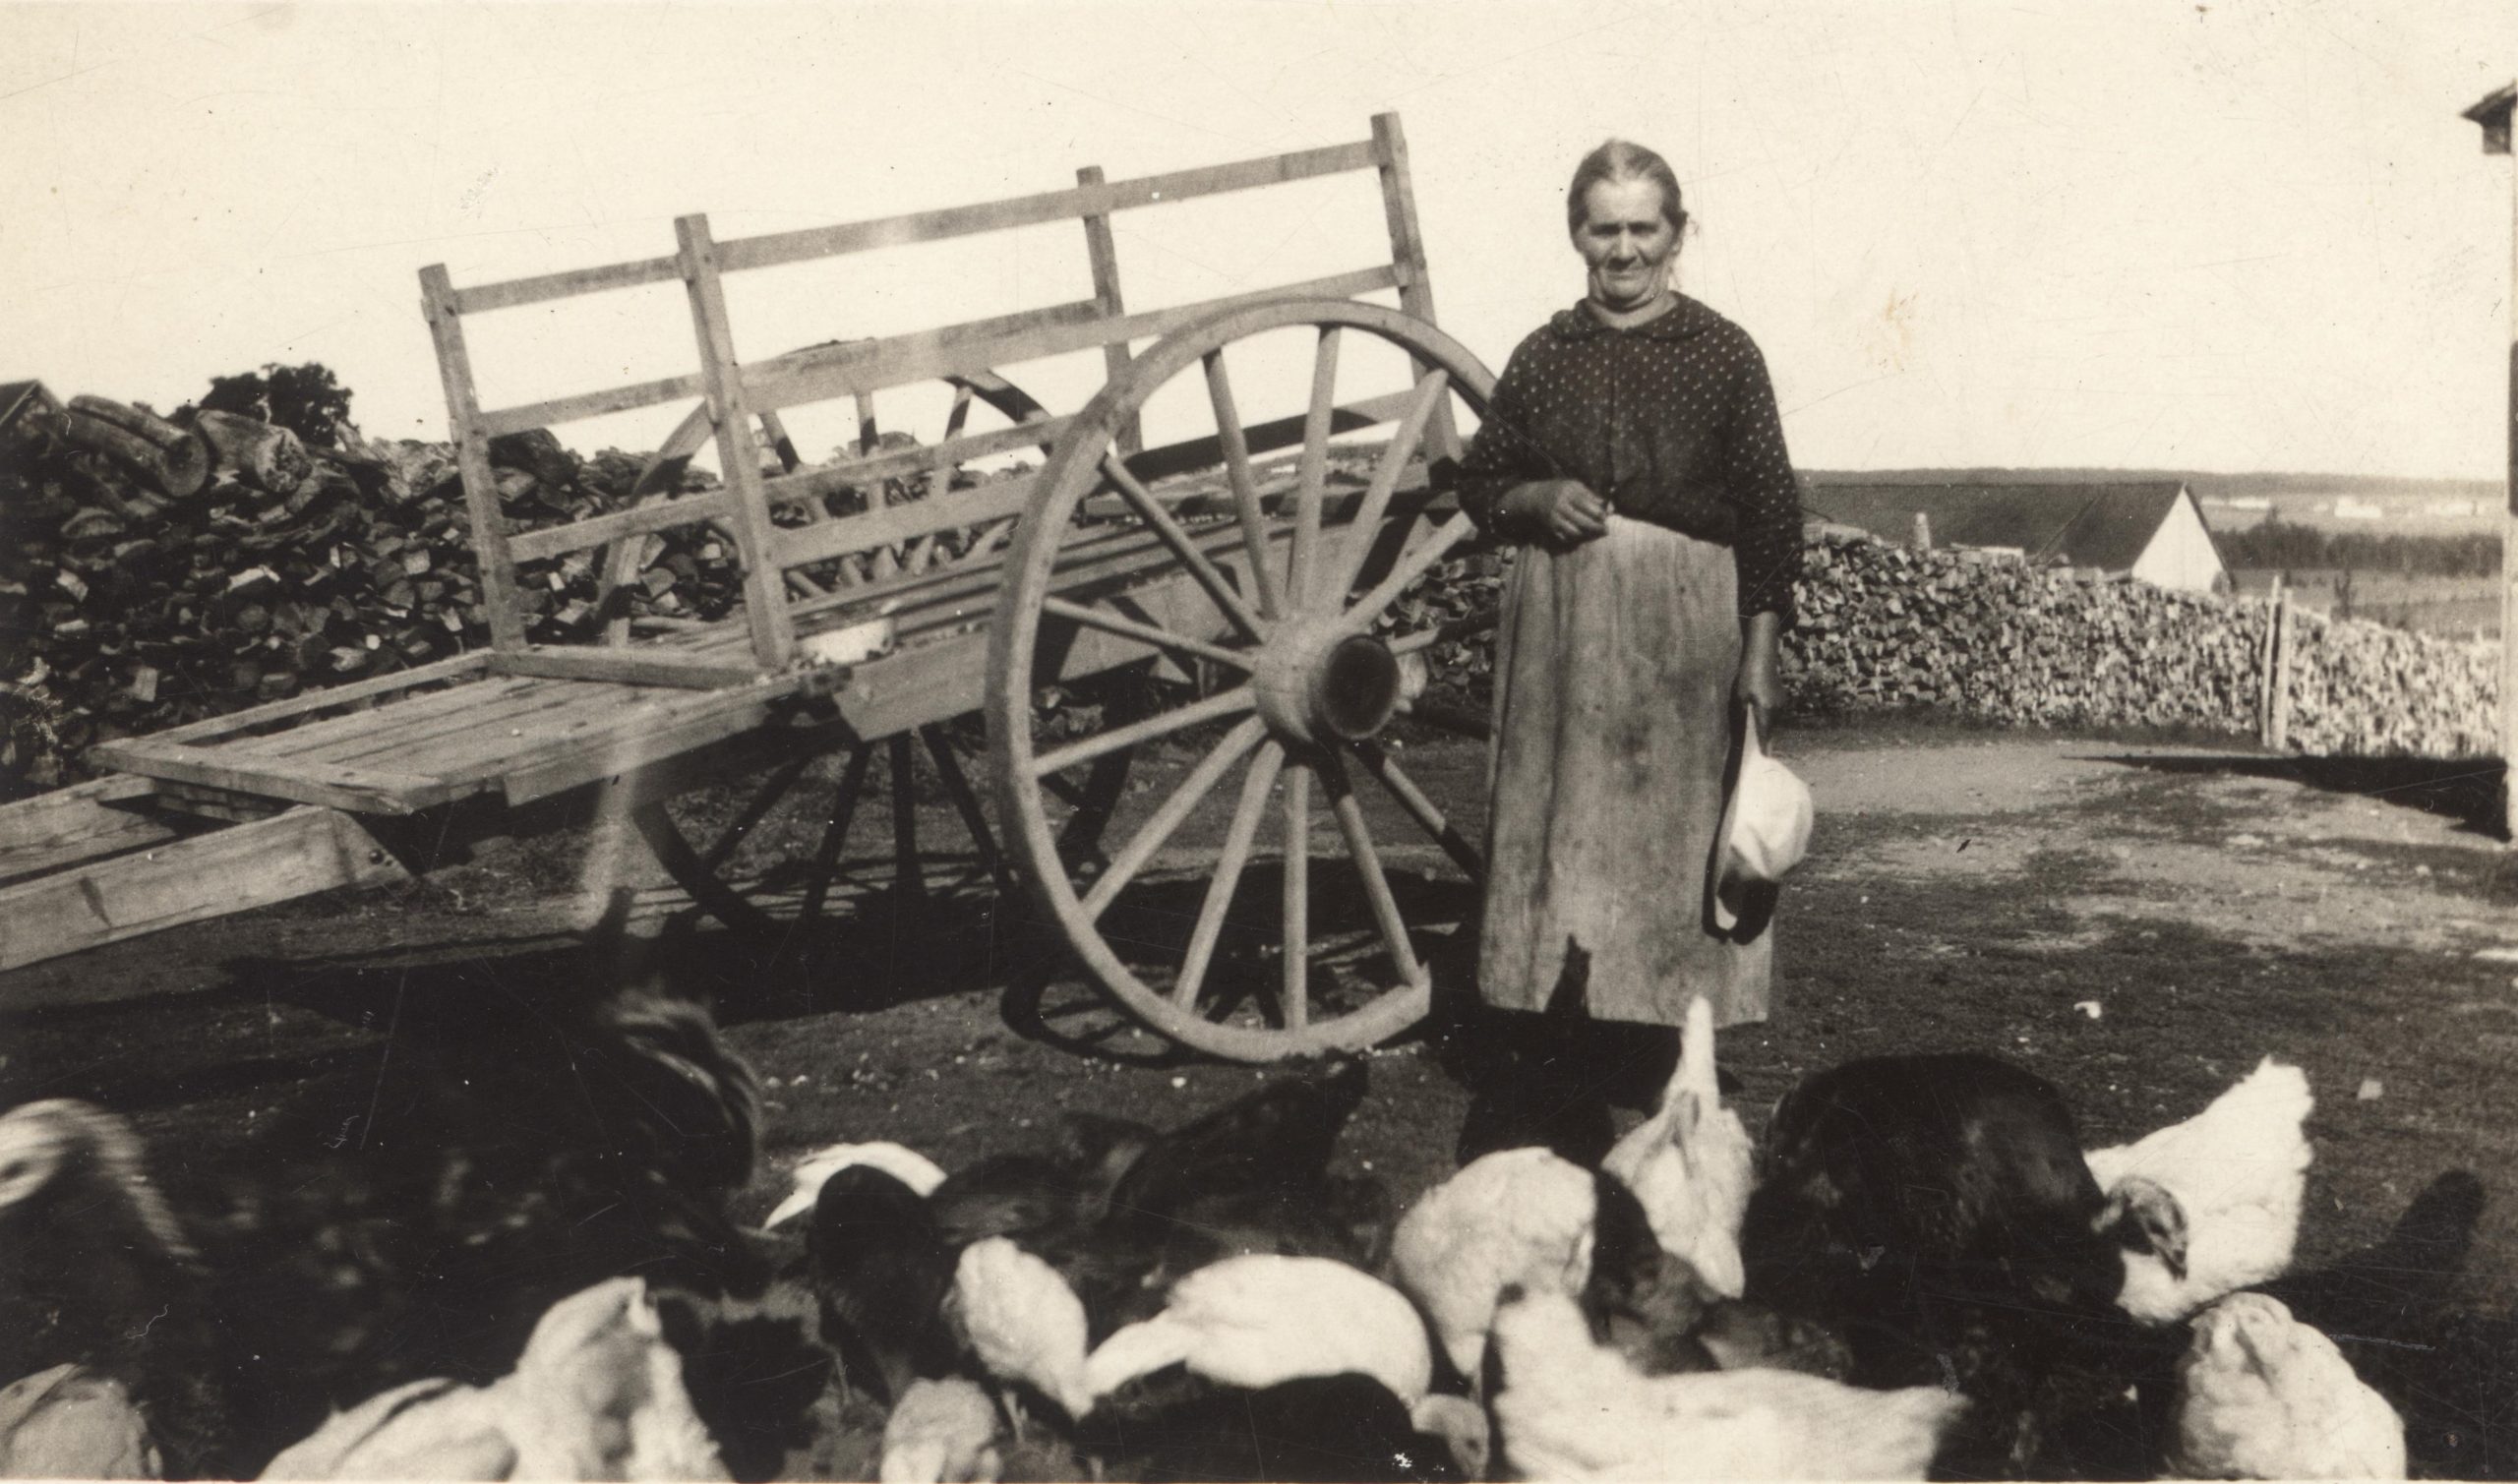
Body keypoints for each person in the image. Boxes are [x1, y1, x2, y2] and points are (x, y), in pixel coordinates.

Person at [1452, 138, 1802, 1101]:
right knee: (1561, 827)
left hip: (1685, 632)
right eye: (1603, 228)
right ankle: (1561, 1023)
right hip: (1561, 631)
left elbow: (1771, 510)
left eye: (1642, 227)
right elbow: (1479, 480)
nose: (1622, 250)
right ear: (1576, 234)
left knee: (1675, 841)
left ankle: (1665, 1048)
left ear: (1676, 233)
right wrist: (1534, 499)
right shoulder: (1543, 355)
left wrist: (1759, 650)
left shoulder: (1725, 355)